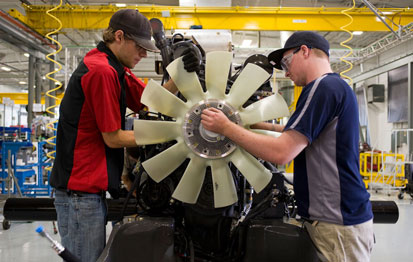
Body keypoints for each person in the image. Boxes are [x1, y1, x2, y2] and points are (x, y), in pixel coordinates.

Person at [201, 31, 374, 262]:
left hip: (336, 222)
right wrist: (250, 124)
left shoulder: (322, 87)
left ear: (304, 51)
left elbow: (282, 152)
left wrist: (225, 128)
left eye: (286, 62)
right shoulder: (336, 86)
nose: (286, 71)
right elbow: (303, 134)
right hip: (335, 218)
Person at [50, 9, 199, 262]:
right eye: (140, 47)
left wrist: (181, 72)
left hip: (90, 192)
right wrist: (175, 135)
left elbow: (149, 102)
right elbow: (114, 138)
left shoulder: (114, 67)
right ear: (119, 36)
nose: (143, 54)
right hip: (79, 194)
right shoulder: (101, 71)